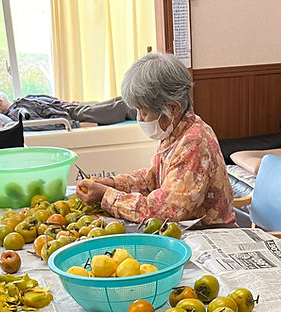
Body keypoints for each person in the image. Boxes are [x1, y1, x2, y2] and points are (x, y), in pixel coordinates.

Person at [75, 52, 234, 226]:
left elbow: (168, 211)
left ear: (172, 108)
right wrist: (112, 183)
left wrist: (107, 195)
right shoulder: (175, 131)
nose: (140, 119)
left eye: (144, 112)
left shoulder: (194, 142)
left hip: (207, 232)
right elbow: (151, 177)